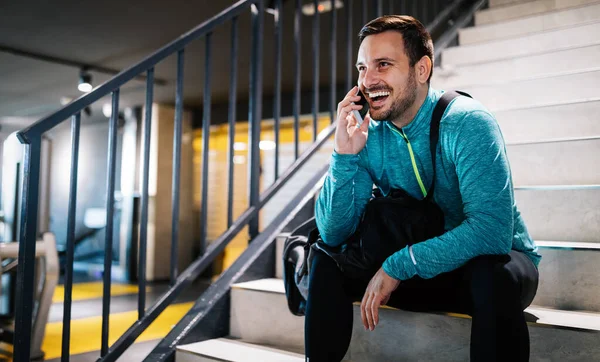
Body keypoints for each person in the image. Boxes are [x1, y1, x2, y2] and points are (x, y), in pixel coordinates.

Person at [306, 15, 541, 362]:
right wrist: (344, 155)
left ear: (421, 69)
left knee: (494, 274)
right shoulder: (368, 134)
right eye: (361, 68)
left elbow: (491, 232)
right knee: (325, 256)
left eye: (383, 65)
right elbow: (334, 231)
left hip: (481, 269)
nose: (368, 81)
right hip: (421, 268)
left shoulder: (467, 122)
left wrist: (397, 265)